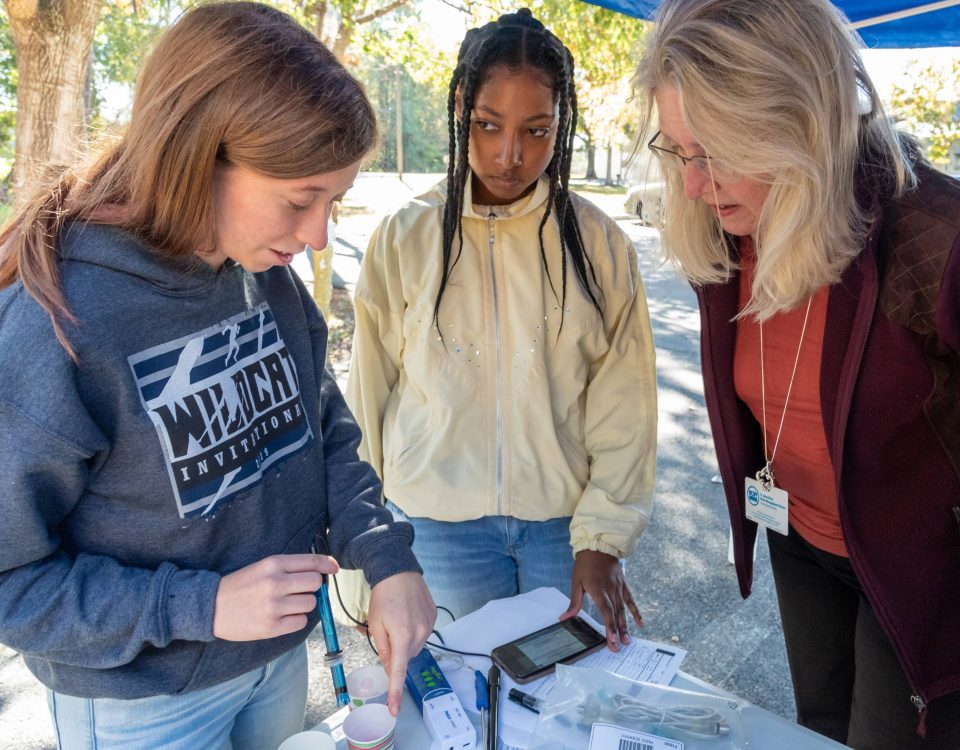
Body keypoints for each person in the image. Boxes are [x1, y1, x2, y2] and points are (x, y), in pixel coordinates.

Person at [0, 3, 435, 748]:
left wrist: (387, 557)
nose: (319, 236)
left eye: (335, 201)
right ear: (201, 156)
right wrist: (198, 608)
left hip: (275, 666)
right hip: (143, 705)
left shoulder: (262, 272)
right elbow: (13, 582)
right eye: (301, 200)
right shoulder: (60, 323)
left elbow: (321, 429)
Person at [632, 0, 960, 746]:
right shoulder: (726, 226)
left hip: (914, 569)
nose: (693, 183)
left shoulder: (936, 238)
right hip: (799, 537)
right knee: (818, 728)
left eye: (714, 149)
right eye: (679, 150)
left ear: (801, 120)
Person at [344, 8, 657, 651]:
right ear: (460, 105)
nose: (510, 155)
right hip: (434, 530)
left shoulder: (599, 245)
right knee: (463, 708)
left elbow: (625, 405)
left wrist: (601, 539)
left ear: (560, 123)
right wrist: (364, 560)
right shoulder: (403, 238)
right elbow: (367, 403)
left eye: (537, 131)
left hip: (561, 532)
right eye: (488, 125)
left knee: (564, 707)